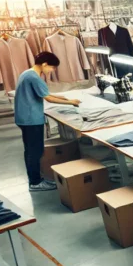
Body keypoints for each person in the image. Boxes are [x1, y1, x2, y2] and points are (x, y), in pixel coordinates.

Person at [15, 52, 81, 192]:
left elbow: (43, 93)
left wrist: (63, 97)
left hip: (24, 118)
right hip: (31, 119)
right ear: (45, 64)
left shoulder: (27, 73)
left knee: (30, 150)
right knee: (35, 151)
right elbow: (48, 98)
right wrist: (71, 102)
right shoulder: (34, 77)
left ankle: (35, 179)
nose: (52, 71)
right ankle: (35, 182)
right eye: (53, 68)